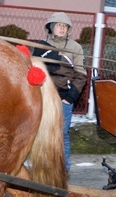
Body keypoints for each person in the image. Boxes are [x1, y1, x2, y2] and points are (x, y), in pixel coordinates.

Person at [32, 12, 86, 172]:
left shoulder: (75, 47)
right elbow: (33, 70)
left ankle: (63, 170)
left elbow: (81, 75)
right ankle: (41, 169)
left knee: (62, 135)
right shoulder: (41, 45)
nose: (62, 29)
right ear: (51, 27)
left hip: (64, 98)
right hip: (42, 97)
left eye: (65, 26)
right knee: (40, 134)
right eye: (59, 25)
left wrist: (70, 98)